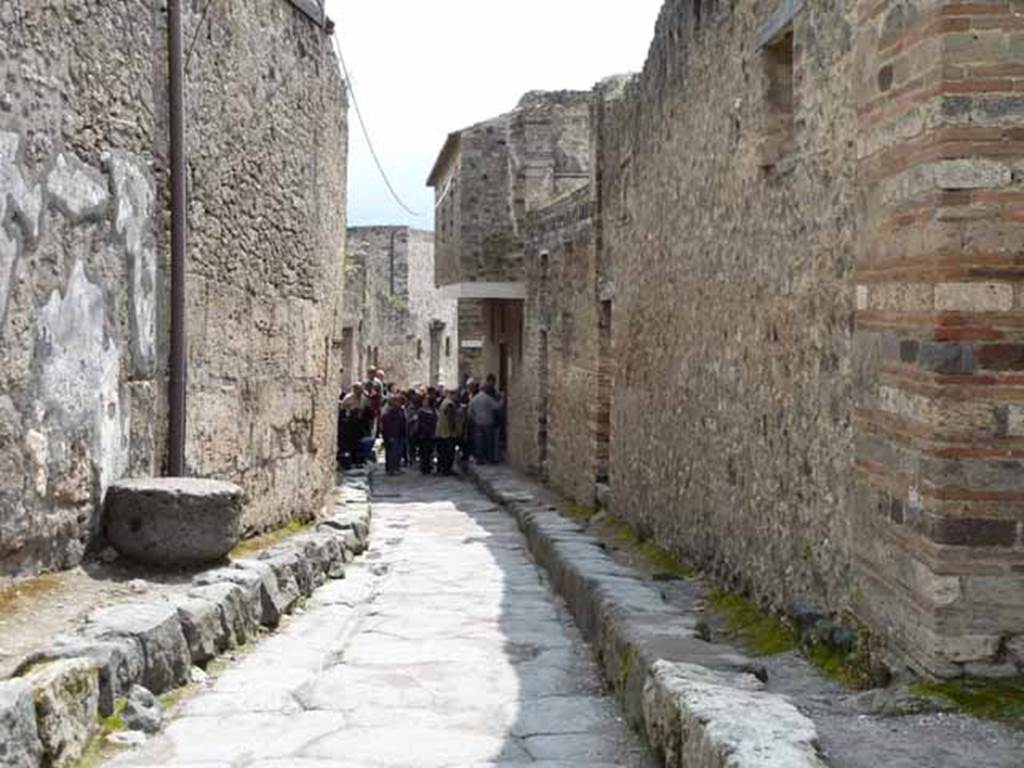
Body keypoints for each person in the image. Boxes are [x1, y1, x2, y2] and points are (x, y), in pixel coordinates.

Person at [468, 383, 500, 464]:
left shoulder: (474, 399)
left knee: (479, 442)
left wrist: (473, 419)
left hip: (478, 423)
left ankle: (480, 459)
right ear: (485, 389)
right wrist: (502, 399)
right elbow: (497, 406)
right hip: (488, 422)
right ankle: (490, 458)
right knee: (489, 441)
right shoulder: (487, 398)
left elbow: (470, 412)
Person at [380, 394, 406, 476]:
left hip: (400, 434)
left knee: (398, 452)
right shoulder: (389, 412)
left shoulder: (400, 410)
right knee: (392, 453)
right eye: (396, 401)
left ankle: (397, 467)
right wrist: (389, 436)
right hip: (393, 435)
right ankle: (391, 469)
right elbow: (387, 425)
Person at [436, 387, 458, 475]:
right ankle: (447, 469)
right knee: (448, 452)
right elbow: (450, 417)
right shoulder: (449, 404)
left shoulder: (444, 402)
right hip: (447, 432)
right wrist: (454, 429)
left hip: (441, 432)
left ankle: (442, 468)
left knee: (442, 452)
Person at [415, 395, 438, 474]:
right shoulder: (420, 411)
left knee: (430, 451)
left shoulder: (433, 411)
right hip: (423, 434)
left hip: (431, 433)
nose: (425, 402)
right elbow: (419, 424)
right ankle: (424, 467)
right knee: (423, 451)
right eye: (424, 401)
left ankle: (429, 465)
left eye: (426, 401)